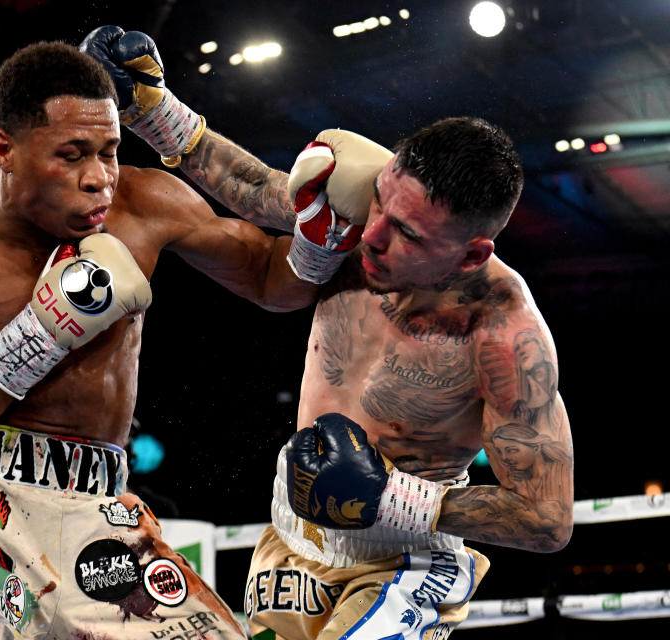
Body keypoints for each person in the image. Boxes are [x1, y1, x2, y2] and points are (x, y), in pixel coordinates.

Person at [83, 26, 574, 640]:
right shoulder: (362, 207)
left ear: (471, 256)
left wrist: (392, 498)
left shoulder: (503, 336)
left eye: (408, 236)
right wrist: (152, 111)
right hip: (289, 540)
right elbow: (262, 191)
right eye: (381, 210)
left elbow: (547, 518)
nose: (370, 237)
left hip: (403, 559)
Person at [0, 41, 336, 640]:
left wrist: (328, 231)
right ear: (3, 149)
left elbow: (275, 281)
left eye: (109, 152)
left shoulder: (144, 201)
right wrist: (43, 331)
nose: (98, 179)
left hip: (103, 513)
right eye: (70, 156)